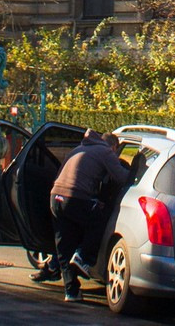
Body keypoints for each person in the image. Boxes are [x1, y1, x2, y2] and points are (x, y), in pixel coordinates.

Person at [46, 128, 130, 303]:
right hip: (76, 197)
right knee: (100, 221)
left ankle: (71, 291)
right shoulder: (105, 151)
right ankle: (83, 257)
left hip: (56, 198)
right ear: (114, 147)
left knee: (64, 245)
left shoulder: (77, 149)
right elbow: (122, 178)